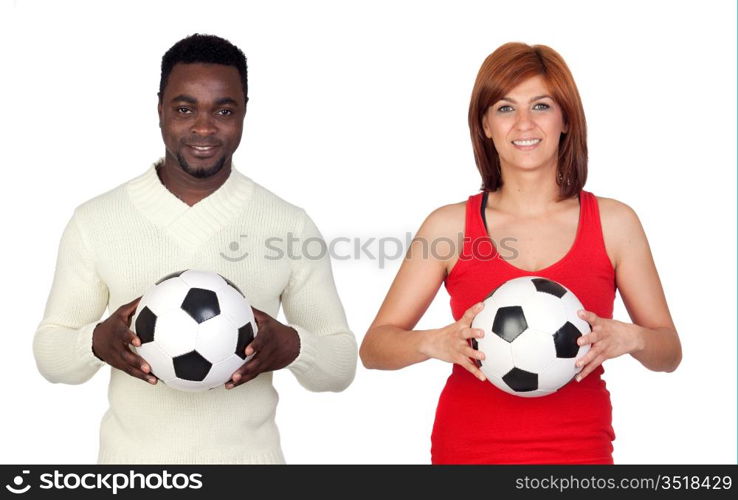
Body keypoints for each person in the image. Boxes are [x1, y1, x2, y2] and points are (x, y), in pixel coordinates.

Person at [33, 33, 357, 464]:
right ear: (160, 110)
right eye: (185, 109)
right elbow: (49, 355)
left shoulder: (289, 225)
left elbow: (341, 367)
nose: (203, 128)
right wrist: (94, 342)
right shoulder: (96, 221)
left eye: (223, 111)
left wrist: (294, 347)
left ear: (244, 113)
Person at [359, 42, 681, 464]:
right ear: (485, 125)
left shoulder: (615, 223)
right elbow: (374, 348)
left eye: (542, 106)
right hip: (467, 453)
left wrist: (632, 337)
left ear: (566, 119)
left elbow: (669, 352)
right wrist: (435, 342)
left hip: (579, 454)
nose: (524, 124)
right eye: (505, 108)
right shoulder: (449, 226)